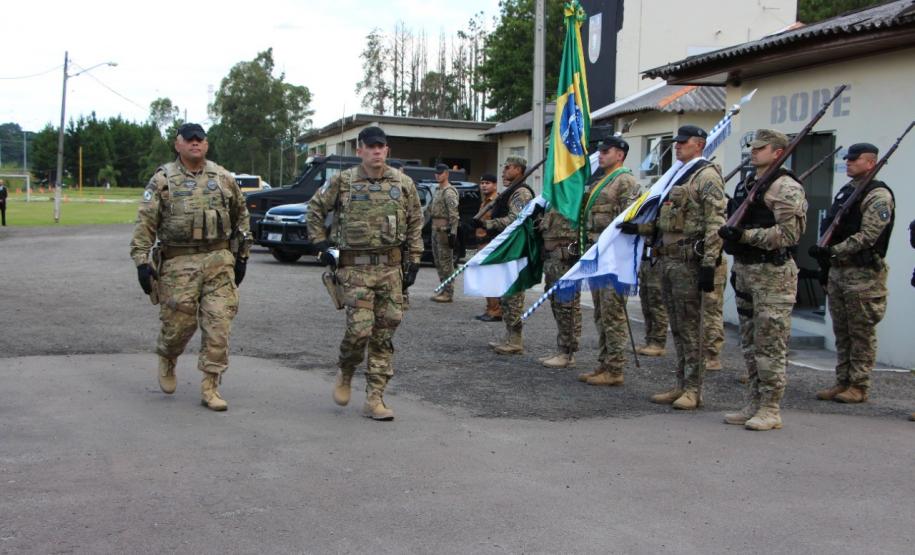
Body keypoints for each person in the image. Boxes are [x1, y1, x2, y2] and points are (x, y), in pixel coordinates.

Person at [129, 123, 251, 412]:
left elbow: (241, 216)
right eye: (189, 139)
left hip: (218, 260)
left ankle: (211, 385)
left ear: (206, 145)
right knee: (179, 326)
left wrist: (242, 256)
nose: (196, 143)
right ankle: (168, 357)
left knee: (219, 323)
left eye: (201, 139)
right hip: (178, 263)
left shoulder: (222, 177)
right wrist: (141, 263)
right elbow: (145, 223)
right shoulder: (163, 180)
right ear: (178, 144)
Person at [306, 126, 423, 421]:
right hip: (355, 268)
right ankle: (346, 369)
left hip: (390, 270)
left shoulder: (403, 184)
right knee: (359, 331)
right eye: (370, 147)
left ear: (387, 151)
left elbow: (415, 223)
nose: (376, 151)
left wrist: (414, 260)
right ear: (359, 150)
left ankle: (375, 398)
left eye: (381, 147)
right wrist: (320, 244)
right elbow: (315, 210)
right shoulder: (343, 182)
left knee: (385, 333)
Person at [619, 125, 726, 410]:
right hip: (668, 260)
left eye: (683, 142)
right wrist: (638, 227)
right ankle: (681, 383)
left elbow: (716, 222)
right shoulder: (677, 175)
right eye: (676, 142)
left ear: (700, 144)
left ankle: (694, 388)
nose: (677, 146)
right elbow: (665, 221)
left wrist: (709, 263)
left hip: (690, 260)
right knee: (678, 327)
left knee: (692, 327)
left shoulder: (706, 176)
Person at [719, 129, 807, 431]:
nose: (753, 152)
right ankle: (753, 402)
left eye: (761, 148)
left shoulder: (785, 187)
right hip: (745, 270)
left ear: (778, 152)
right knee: (749, 343)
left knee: (770, 343)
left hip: (773, 275)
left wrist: (745, 235)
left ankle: (771, 408)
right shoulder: (749, 185)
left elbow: (789, 235)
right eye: (752, 148)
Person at [810, 142, 895, 405]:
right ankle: (843, 380)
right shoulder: (848, 191)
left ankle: (859, 385)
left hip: (863, 274)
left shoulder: (878, 195)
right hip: (840, 272)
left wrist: (833, 251)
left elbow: (868, 236)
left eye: (854, 159)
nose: (848, 162)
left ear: (870, 162)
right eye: (847, 159)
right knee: (842, 330)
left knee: (861, 332)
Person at [576, 137, 641, 383]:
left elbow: (632, 219)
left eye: (606, 151)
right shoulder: (601, 182)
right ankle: (604, 364)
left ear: (620, 155)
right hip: (598, 256)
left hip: (614, 258)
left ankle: (615, 369)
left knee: (613, 314)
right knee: (601, 313)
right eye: (600, 151)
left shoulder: (625, 181)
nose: (600, 155)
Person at [474, 156, 533, 355]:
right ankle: (509, 336)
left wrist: (488, 224)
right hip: (506, 249)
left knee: (513, 296)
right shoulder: (510, 192)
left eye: (508, 168)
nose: (503, 171)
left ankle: (515, 340)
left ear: (519, 170)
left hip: (515, 250)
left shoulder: (521, 192)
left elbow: (515, 219)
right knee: (506, 296)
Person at [538, 203, 582, 369]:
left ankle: (568, 353)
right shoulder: (552, 199)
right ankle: (561, 348)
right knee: (556, 303)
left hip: (566, 259)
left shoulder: (572, 195)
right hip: (553, 260)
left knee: (567, 306)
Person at [473, 173, 502, 321]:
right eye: (482, 183)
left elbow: (498, 224)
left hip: (490, 244)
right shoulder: (485, 202)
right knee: (484, 279)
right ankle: (490, 308)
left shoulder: (498, 201)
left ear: (495, 185)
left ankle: (496, 310)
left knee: (491, 278)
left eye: (488, 183)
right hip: (481, 244)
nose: (484, 185)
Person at [429, 163, 460, 303]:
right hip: (435, 230)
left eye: (440, 173)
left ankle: (448, 292)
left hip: (444, 232)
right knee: (438, 262)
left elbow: (454, 215)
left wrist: (453, 233)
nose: (438, 175)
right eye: (436, 173)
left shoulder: (449, 191)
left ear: (447, 174)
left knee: (446, 262)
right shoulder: (437, 190)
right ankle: (443, 287)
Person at [636, 245, 667, 356]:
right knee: (646, 303)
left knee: (657, 303)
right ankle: (650, 340)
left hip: (658, 258)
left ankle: (658, 342)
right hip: (647, 259)